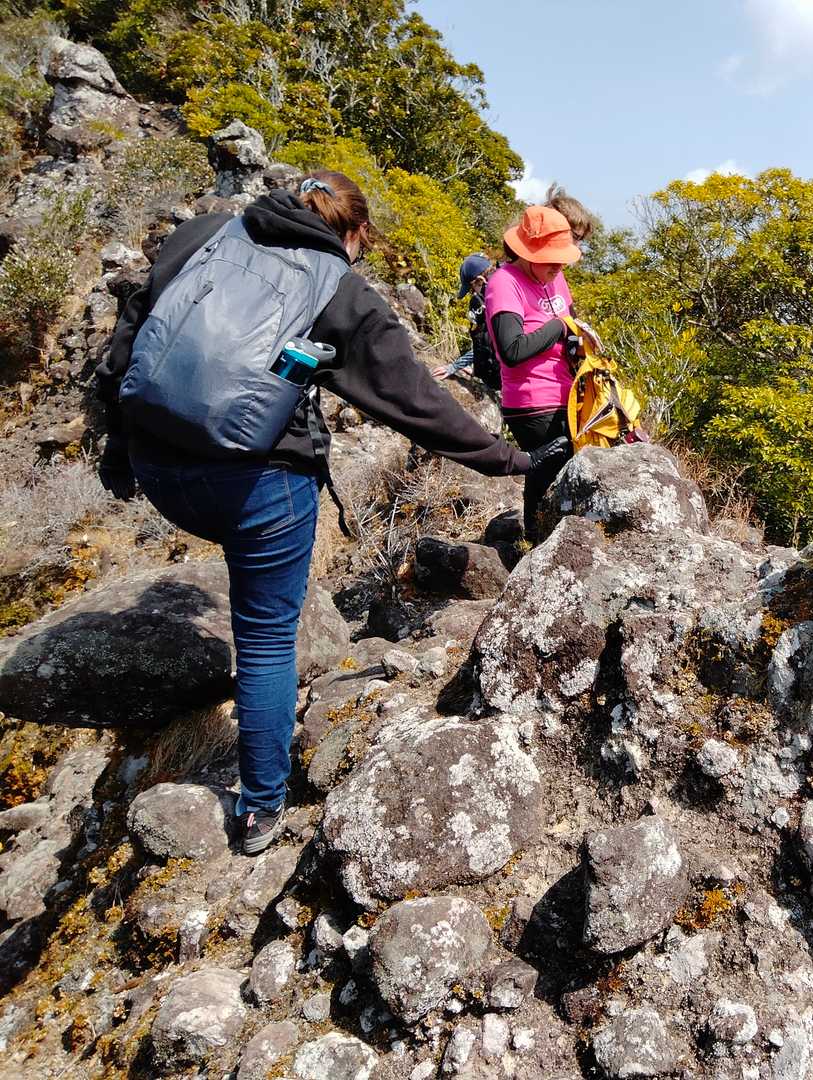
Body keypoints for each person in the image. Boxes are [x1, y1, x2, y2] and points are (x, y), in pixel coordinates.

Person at [94, 171, 569, 855]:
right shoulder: (340, 290)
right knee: (264, 640)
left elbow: (133, 330)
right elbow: (414, 402)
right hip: (258, 485)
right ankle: (260, 808)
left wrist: (118, 448)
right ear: (355, 233)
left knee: (256, 613)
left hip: (160, 468)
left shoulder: (203, 235)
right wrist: (511, 460)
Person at [486, 204, 591, 543]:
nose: (559, 266)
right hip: (532, 402)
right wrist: (559, 327)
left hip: (567, 393)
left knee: (563, 477)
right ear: (526, 252)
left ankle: (545, 546)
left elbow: (570, 322)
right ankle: (536, 546)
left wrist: (578, 338)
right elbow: (512, 350)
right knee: (547, 478)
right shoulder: (504, 283)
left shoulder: (555, 277)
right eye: (551, 259)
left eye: (562, 258)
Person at [432, 253, 499, 387]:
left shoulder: (497, 302)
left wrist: (454, 366)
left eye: (472, 289)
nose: (474, 294)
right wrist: (479, 365)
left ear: (480, 280)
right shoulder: (508, 285)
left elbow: (489, 344)